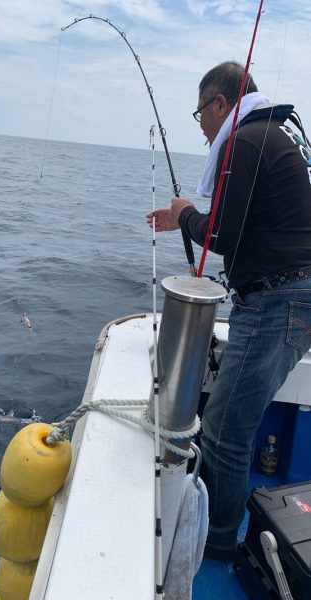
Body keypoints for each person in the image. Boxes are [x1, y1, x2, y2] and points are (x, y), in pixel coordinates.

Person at [146, 61, 311, 560]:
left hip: (276, 302)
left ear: (220, 103)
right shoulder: (273, 136)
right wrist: (186, 221)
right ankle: (220, 533)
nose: (201, 127)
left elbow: (220, 236)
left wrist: (184, 214)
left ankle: (216, 546)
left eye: (200, 113)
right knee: (230, 425)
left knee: (223, 432)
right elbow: (240, 224)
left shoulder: (244, 142)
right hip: (291, 300)